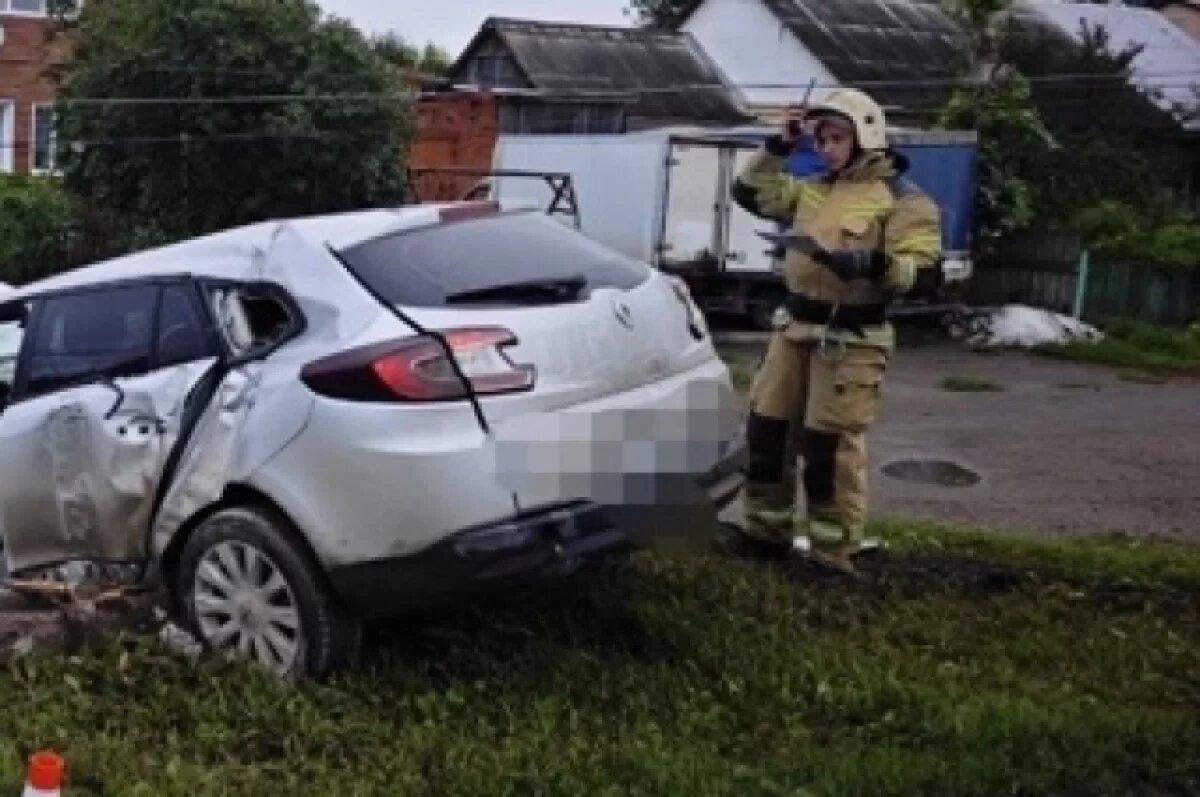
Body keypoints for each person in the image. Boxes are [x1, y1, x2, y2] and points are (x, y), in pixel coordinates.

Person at [727, 87, 943, 574]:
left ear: (865, 136)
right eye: (821, 138)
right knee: (766, 434)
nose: (825, 147)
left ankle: (833, 552)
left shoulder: (904, 201)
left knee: (828, 451)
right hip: (793, 328)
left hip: (851, 340)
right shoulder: (812, 189)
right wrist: (780, 146)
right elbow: (748, 193)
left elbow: (927, 274)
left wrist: (874, 263)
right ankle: (766, 533)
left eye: (836, 137)